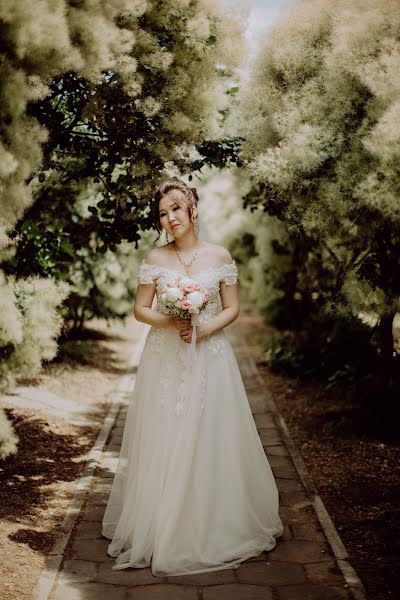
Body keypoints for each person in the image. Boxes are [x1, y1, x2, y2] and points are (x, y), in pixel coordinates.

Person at [102, 179, 283, 576]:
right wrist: (173, 320)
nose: (170, 218)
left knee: (207, 429)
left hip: (210, 355)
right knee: (167, 429)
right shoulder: (155, 257)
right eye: (163, 213)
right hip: (166, 356)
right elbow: (140, 310)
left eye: (176, 209)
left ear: (193, 209)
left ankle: (211, 521)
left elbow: (231, 308)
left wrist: (203, 329)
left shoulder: (219, 256)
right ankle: (160, 523)